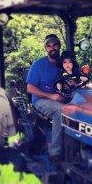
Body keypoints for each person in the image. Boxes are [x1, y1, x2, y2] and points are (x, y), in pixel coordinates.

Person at [26, 34, 63, 162]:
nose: (52, 48)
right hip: (41, 100)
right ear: (46, 48)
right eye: (49, 46)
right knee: (62, 111)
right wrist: (50, 96)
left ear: (59, 46)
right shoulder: (38, 65)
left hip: (62, 97)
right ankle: (55, 151)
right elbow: (30, 88)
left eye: (55, 45)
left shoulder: (65, 63)